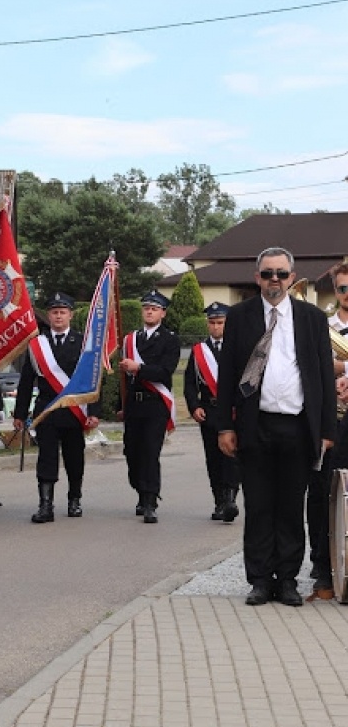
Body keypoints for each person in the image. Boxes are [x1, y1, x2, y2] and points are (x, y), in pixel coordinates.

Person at [216, 246, 337, 607]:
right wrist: (225, 425)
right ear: (257, 277)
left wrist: (326, 430)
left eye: (281, 274)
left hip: (298, 427)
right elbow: (227, 377)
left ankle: (286, 580)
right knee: (258, 506)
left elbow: (322, 381)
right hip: (256, 425)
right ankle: (259, 580)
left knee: (289, 507)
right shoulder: (239, 316)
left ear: (291, 277)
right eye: (268, 273)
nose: (274, 280)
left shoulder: (312, 318)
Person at [13, 291, 99, 522]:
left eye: (62, 312)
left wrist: (93, 412)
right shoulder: (37, 344)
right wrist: (20, 413)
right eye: (54, 312)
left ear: (70, 315)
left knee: (74, 458)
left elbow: (92, 380)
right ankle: (45, 505)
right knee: (47, 458)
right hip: (47, 410)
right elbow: (26, 381)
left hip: (74, 411)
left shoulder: (82, 343)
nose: (58, 317)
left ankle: (74, 500)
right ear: (48, 316)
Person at [305, 262, 348, 598]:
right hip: (331, 419)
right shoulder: (321, 324)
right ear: (335, 289)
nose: (347, 295)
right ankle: (322, 570)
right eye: (343, 288)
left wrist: (345, 368)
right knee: (321, 492)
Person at [120, 290, 181, 523]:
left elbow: (165, 371)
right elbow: (124, 377)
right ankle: (140, 489)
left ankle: (150, 500)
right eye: (146, 308)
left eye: (154, 308)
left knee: (149, 453)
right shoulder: (131, 339)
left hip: (155, 403)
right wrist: (120, 404)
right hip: (134, 404)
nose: (149, 311)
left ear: (163, 313)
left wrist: (139, 368)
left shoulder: (170, 339)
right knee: (132, 452)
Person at [183, 302, 240, 523]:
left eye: (220, 323)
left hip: (233, 410)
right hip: (210, 409)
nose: (216, 327)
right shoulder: (199, 351)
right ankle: (219, 500)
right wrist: (194, 406)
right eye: (212, 323)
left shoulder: (237, 347)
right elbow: (189, 383)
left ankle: (230, 498)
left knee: (233, 456)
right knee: (214, 457)